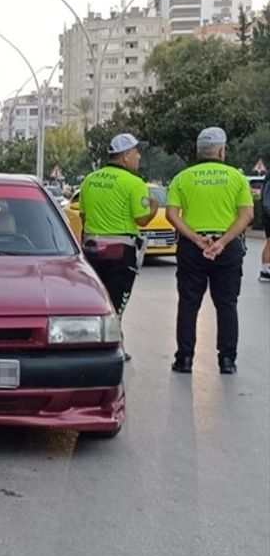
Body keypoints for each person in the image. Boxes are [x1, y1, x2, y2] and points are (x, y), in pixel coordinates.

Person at [165, 127, 255, 375]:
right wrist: (222, 242)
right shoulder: (236, 178)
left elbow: (172, 215)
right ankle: (227, 360)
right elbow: (247, 215)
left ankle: (184, 359)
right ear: (221, 150)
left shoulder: (182, 178)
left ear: (199, 151)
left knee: (188, 303)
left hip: (193, 249)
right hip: (227, 249)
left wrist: (196, 239)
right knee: (227, 304)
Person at [77, 133, 158, 362]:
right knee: (116, 303)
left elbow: (83, 215)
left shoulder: (90, 180)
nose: (139, 156)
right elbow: (142, 220)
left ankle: (97, 342)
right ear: (125, 156)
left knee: (96, 300)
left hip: (92, 249)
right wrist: (153, 206)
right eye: (136, 152)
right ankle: (112, 347)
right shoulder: (134, 183)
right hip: (121, 251)